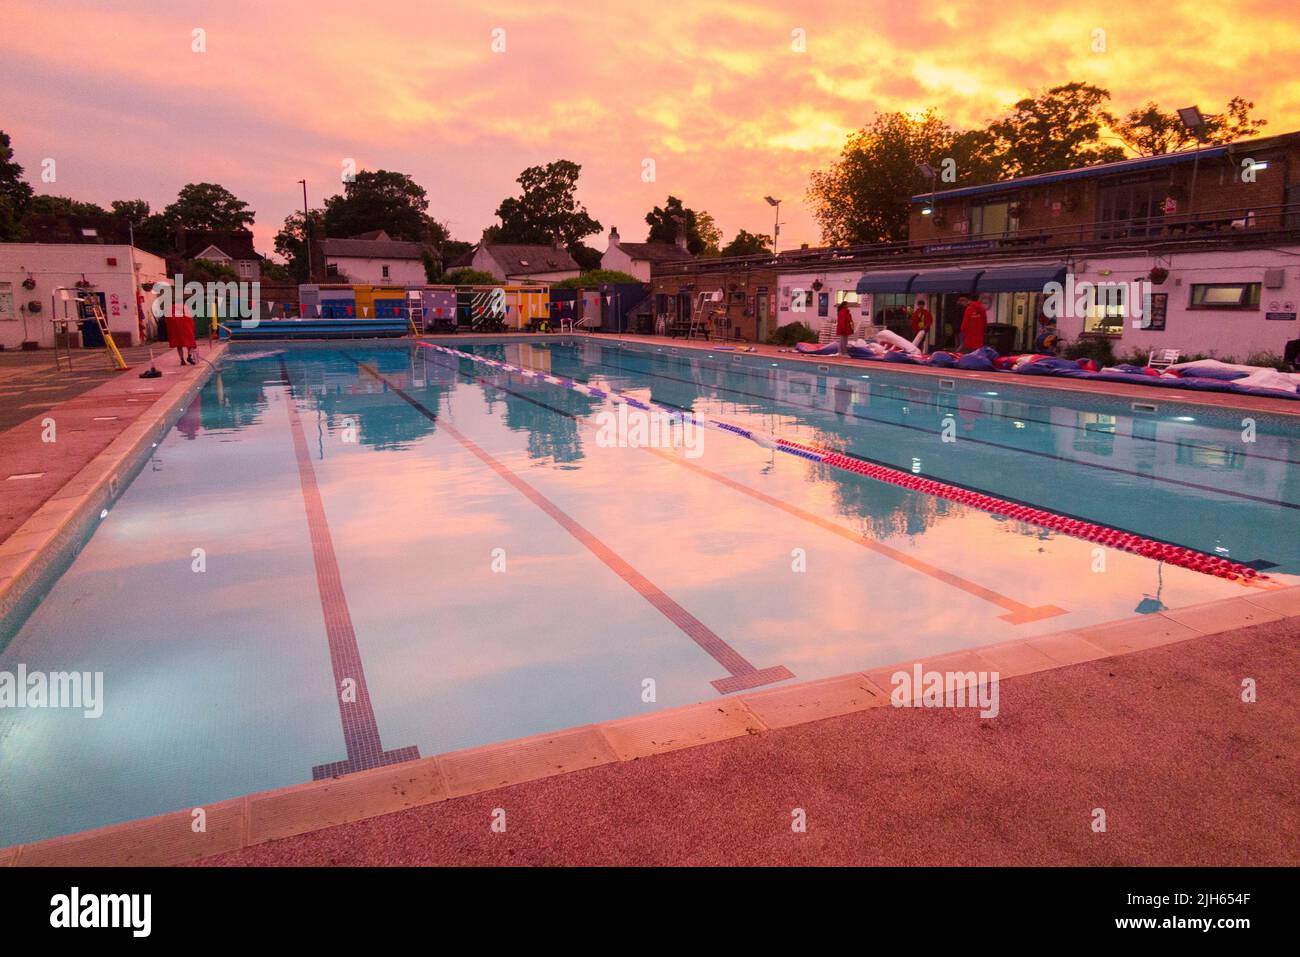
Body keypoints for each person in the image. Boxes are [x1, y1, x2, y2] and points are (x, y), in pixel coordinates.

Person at [165, 299, 197, 365]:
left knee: (179, 345)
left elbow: (168, 320)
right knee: (191, 343)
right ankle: (189, 356)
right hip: (186, 329)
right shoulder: (184, 307)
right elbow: (190, 318)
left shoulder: (170, 309)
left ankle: (182, 360)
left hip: (176, 330)